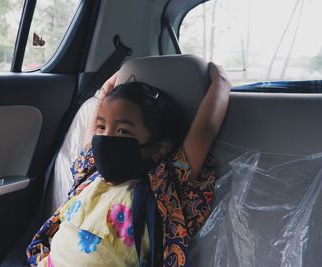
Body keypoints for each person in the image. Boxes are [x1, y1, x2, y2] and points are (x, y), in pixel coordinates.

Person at [26, 62, 231, 267]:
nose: (106, 138)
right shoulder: (90, 173)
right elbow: (94, 131)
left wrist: (221, 82)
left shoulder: (164, 186)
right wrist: (106, 90)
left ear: (159, 149)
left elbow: (203, 133)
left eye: (123, 131)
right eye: (102, 127)